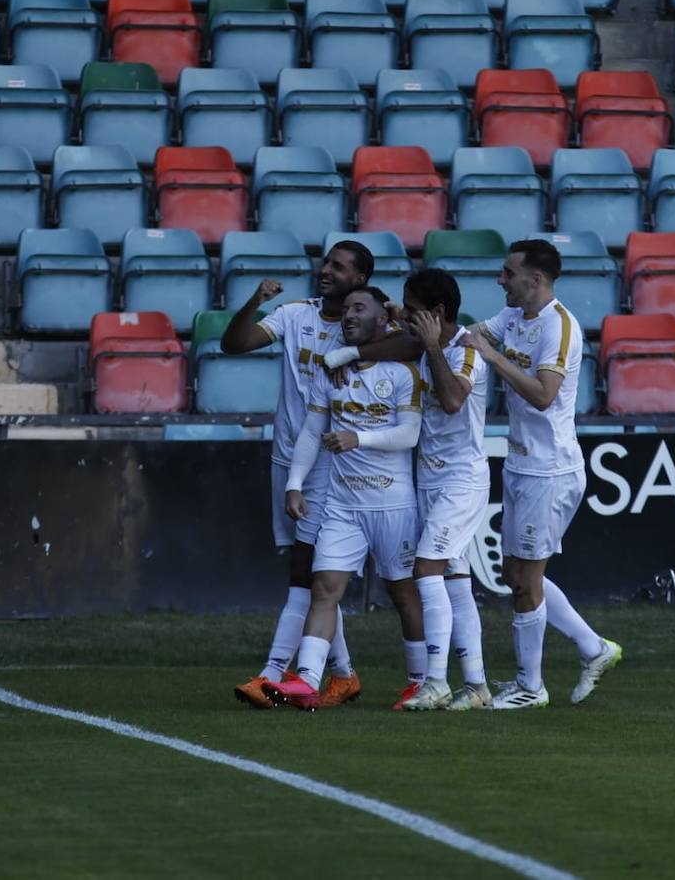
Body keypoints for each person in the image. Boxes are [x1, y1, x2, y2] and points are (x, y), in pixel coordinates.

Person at [222, 242, 399, 710]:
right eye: (326, 262)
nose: (326, 270)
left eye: (339, 267)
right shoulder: (294, 314)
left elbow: (412, 345)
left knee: (308, 573)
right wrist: (254, 302)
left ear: (360, 280)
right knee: (310, 574)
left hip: (333, 467)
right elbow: (234, 345)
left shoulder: (368, 329)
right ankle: (342, 675)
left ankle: (273, 673)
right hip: (288, 459)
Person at [461, 239, 622, 710]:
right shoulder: (512, 317)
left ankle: (531, 687)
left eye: (508, 273)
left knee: (526, 580)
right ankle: (595, 648)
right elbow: (471, 335)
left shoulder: (560, 327)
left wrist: (491, 358)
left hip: (549, 471)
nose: (500, 280)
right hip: (522, 463)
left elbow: (543, 395)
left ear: (536, 280)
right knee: (516, 574)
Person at [263, 286, 426, 711]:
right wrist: (295, 483)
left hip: (392, 505)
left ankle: (421, 681)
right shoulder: (328, 370)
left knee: (403, 594)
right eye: (347, 308)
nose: (349, 315)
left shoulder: (404, 372)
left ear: (381, 321)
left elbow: (410, 434)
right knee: (324, 588)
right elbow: (313, 431)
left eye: (359, 309)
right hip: (342, 506)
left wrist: (360, 437)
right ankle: (308, 681)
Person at [393, 269, 494, 711]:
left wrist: (432, 345)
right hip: (431, 478)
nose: (407, 318)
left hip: (461, 480)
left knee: (426, 568)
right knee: (455, 580)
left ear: (435, 314)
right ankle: (476, 685)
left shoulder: (466, 351)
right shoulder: (424, 343)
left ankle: (435, 680)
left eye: (414, 310)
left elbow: (453, 401)